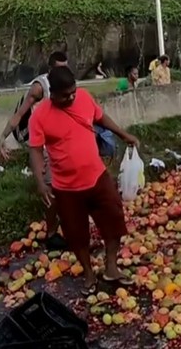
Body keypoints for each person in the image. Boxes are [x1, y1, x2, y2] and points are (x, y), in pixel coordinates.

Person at [28, 66, 140, 294]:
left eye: (73, 92)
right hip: (66, 188)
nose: (71, 98)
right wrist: (40, 182)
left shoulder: (84, 98)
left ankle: (111, 267)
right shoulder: (40, 116)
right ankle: (89, 274)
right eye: (65, 95)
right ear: (52, 94)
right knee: (76, 235)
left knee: (114, 219)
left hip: (97, 177)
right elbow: (36, 150)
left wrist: (123, 134)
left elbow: (101, 118)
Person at [0, 50, 69, 251]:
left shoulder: (67, 84)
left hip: (62, 141)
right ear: (50, 69)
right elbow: (20, 113)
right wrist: (3, 137)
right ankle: (52, 234)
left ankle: (67, 226)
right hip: (44, 143)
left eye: (66, 69)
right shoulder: (40, 87)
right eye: (60, 69)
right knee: (51, 189)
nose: (63, 73)